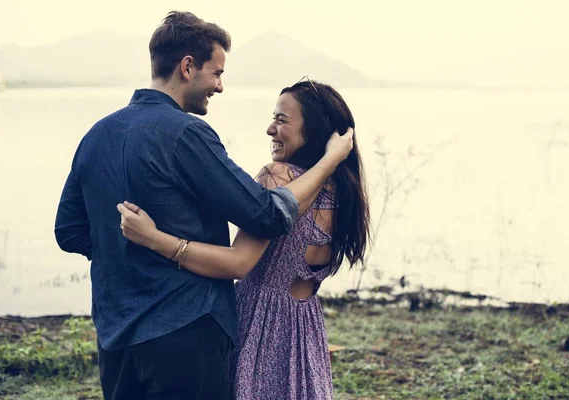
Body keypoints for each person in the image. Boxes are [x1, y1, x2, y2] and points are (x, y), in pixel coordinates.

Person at [54, 11, 353, 400]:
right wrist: (331, 160)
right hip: (186, 331)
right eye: (217, 73)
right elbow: (265, 214)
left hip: (116, 335)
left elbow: (69, 231)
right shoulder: (187, 134)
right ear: (188, 67)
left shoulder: (97, 134)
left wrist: (128, 254)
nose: (220, 86)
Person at [117, 78, 370, 399]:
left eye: (281, 120)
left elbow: (237, 262)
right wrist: (331, 159)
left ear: (315, 128)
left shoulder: (277, 176)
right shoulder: (345, 191)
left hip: (258, 324)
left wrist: (154, 238)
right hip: (305, 329)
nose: (270, 129)